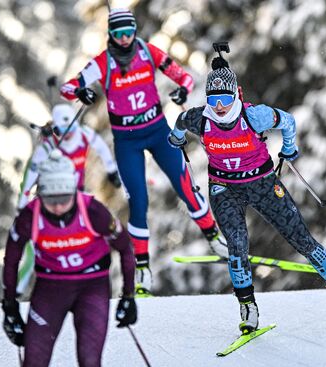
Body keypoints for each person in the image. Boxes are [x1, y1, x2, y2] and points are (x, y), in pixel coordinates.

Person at [168, 56, 326, 333]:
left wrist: (289, 149)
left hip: (263, 184)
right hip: (224, 188)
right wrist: (176, 138)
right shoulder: (201, 118)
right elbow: (181, 120)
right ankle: (248, 308)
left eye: (225, 99)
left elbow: (288, 121)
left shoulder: (254, 116)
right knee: (237, 243)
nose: (219, 107)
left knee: (301, 238)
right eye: (213, 100)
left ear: (235, 95)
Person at [60, 8, 228, 295]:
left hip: (158, 132)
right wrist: (80, 92)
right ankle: (141, 267)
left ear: (135, 31)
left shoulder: (148, 51)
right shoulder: (104, 61)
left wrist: (183, 91)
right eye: (118, 34)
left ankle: (213, 236)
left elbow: (183, 77)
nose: (124, 39)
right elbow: (67, 87)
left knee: (185, 185)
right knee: (138, 202)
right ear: (110, 35)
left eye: (129, 32)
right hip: (127, 142)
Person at [1, 150, 137, 367]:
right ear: (40, 195)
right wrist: (9, 305)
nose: (57, 206)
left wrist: (128, 296)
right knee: (34, 362)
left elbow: (125, 248)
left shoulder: (94, 211)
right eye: (50, 199)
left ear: (74, 190)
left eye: (64, 198)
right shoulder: (29, 217)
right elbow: (11, 259)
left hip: (93, 287)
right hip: (50, 288)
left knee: (90, 361)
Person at [14, 103, 121, 295]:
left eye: (71, 128)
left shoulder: (84, 134)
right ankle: (18, 289)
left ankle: (84, 283)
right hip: (48, 201)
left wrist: (112, 171)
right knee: (37, 244)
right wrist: (22, 205)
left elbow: (103, 149)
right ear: (55, 127)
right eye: (63, 129)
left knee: (83, 239)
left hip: (76, 198)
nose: (69, 134)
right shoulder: (48, 147)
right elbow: (29, 179)